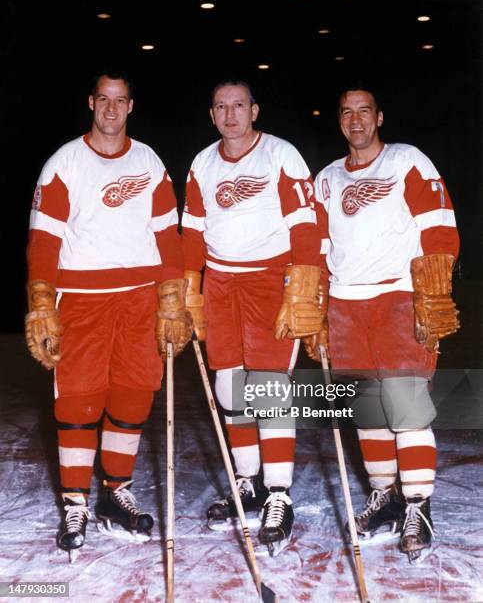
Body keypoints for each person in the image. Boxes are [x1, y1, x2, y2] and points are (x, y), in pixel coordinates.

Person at [25, 72, 192, 558]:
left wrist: (172, 295)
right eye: (105, 100)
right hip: (80, 297)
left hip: (140, 299)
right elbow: (44, 242)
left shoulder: (149, 160)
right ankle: (75, 500)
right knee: (79, 398)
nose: (112, 110)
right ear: (92, 103)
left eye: (121, 101)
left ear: (131, 106)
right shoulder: (65, 163)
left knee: (134, 394)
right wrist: (41, 300)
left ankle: (115, 491)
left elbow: (168, 236)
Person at [306, 84, 460, 562]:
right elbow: (317, 247)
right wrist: (316, 306)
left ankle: (417, 505)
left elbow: (439, 223)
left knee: (405, 403)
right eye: (347, 112)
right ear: (339, 121)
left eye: (364, 112)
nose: (356, 120)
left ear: (379, 117)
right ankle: (385, 497)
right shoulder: (326, 178)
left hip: (397, 294)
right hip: (346, 303)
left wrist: (432, 291)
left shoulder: (406, 160)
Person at [181, 80, 322, 554]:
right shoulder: (202, 163)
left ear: (254, 110)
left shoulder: (281, 154)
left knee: (268, 387)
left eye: (239, 105)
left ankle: (279, 493)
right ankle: (248, 482)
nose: (230, 114)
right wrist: (189, 286)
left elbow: (306, 223)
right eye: (221, 106)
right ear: (211, 114)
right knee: (230, 386)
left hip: (270, 279)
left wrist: (304, 283)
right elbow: (192, 233)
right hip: (222, 282)